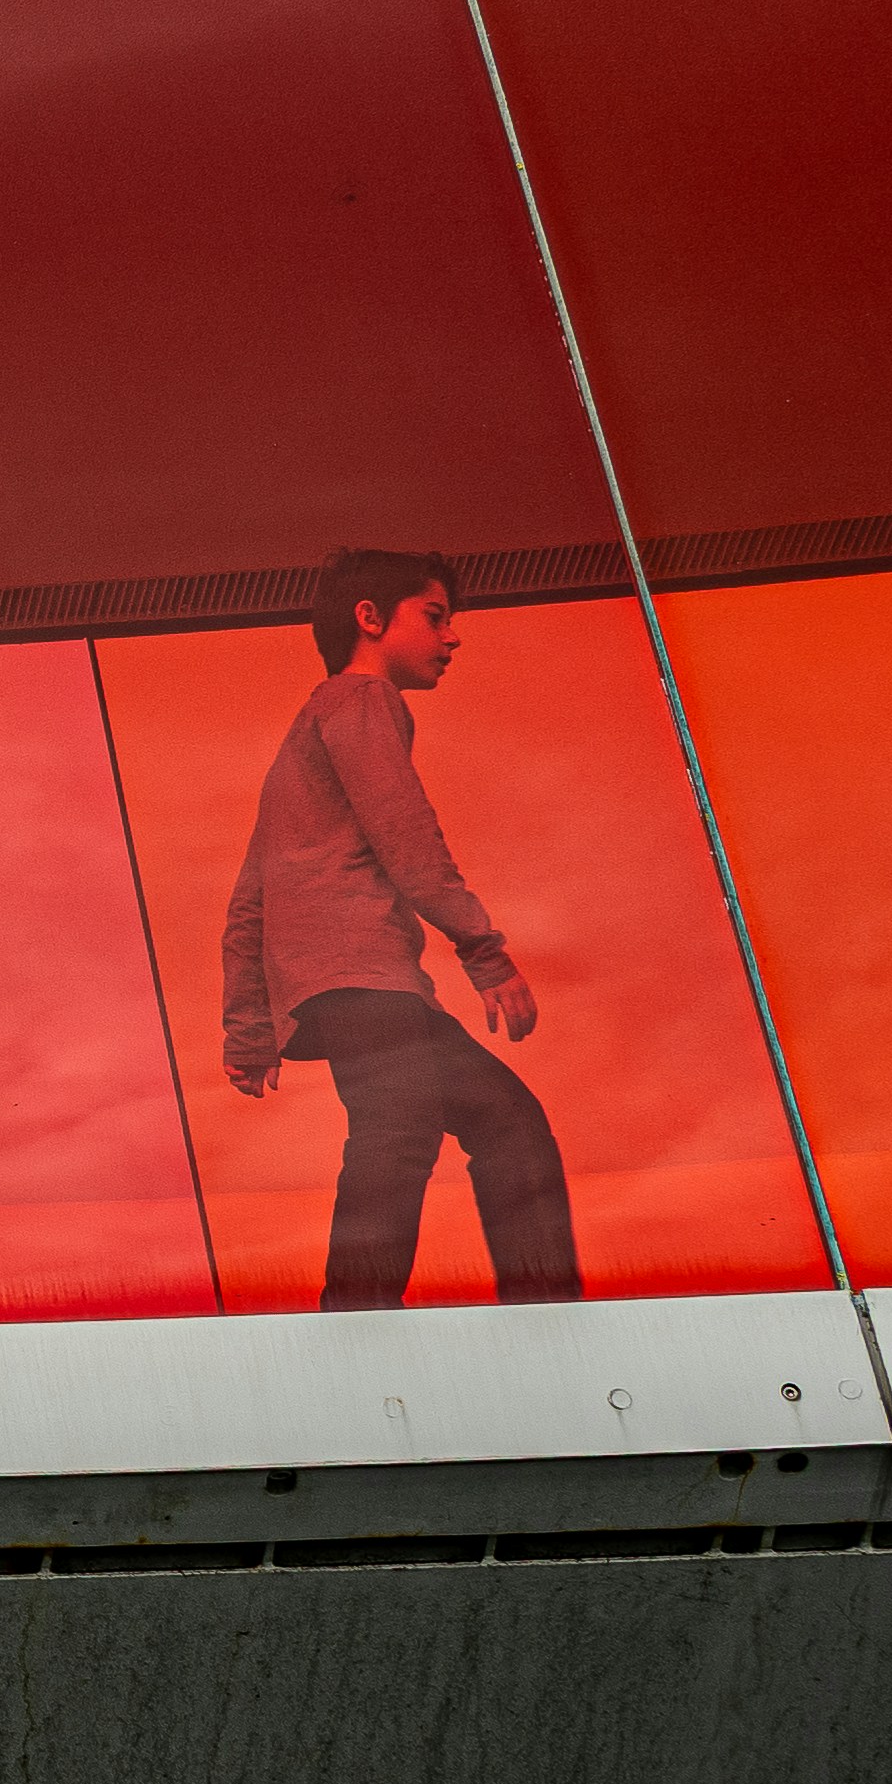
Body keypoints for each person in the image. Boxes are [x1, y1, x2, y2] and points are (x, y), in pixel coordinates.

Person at [218, 549, 580, 1310]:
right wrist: (484, 952)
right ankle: (360, 1326)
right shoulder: (362, 702)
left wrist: (251, 1027)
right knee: (402, 1129)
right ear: (370, 618)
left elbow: (250, 896)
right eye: (436, 616)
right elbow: (406, 832)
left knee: (505, 1121)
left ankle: (540, 1317)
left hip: (351, 988)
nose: (453, 639)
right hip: (366, 980)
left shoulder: (302, 737)